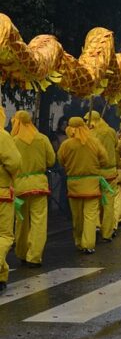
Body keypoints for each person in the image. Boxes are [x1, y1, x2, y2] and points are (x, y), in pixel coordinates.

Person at [11, 110, 55, 268]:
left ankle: (21, 252)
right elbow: (51, 160)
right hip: (39, 185)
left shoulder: (13, 141)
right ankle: (34, 257)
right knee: (39, 222)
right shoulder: (42, 139)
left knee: (21, 222)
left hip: (20, 187)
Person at [57, 117, 108, 254]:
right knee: (90, 216)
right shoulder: (94, 142)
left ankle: (79, 241)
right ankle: (88, 244)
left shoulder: (66, 144)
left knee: (77, 216)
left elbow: (61, 161)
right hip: (92, 184)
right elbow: (104, 159)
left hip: (74, 184)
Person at [84, 110, 118, 241]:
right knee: (109, 203)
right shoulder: (111, 131)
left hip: (96, 172)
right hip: (110, 172)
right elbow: (116, 145)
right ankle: (107, 233)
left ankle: (95, 226)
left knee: (94, 203)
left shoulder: (91, 133)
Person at [0, 107, 21, 292]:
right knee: (5, 235)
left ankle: (1, 276)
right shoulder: (2, 136)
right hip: (1, 194)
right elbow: (14, 162)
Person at [49, 116, 69, 216]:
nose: (65, 126)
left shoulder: (70, 135)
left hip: (69, 163)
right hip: (61, 163)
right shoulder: (56, 136)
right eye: (63, 124)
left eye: (67, 124)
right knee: (64, 185)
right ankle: (63, 206)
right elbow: (56, 148)